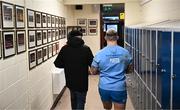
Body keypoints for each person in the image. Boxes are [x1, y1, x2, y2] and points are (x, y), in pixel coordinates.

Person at [90, 29, 132, 110]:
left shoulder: (99, 54)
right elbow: (130, 70)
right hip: (119, 88)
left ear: (105, 38)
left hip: (104, 87)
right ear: (117, 37)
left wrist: (102, 69)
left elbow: (93, 71)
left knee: (107, 108)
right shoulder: (125, 52)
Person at [54, 30, 94, 110]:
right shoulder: (86, 49)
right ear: (81, 37)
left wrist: (67, 65)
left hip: (70, 80)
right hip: (82, 81)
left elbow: (57, 64)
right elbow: (92, 64)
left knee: (73, 100)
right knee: (81, 101)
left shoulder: (65, 49)